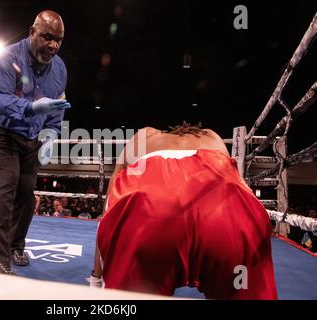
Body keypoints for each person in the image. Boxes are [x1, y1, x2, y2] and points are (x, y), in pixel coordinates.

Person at [90, 122, 278, 299]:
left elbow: (110, 207)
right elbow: (239, 184)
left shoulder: (145, 135)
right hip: (227, 220)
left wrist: (96, 277)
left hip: (150, 216)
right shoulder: (213, 137)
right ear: (195, 132)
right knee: (240, 285)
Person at [0, 10, 71, 275]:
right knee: (6, 186)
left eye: (59, 40)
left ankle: (16, 244)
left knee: (26, 194)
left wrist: (52, 133)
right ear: (32, 32)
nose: (53, 45)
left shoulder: (60, 69)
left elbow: (57, 107)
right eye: (47, 37)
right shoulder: (8, 56)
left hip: (31, 136)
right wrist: (31, 108)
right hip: (1, 129)